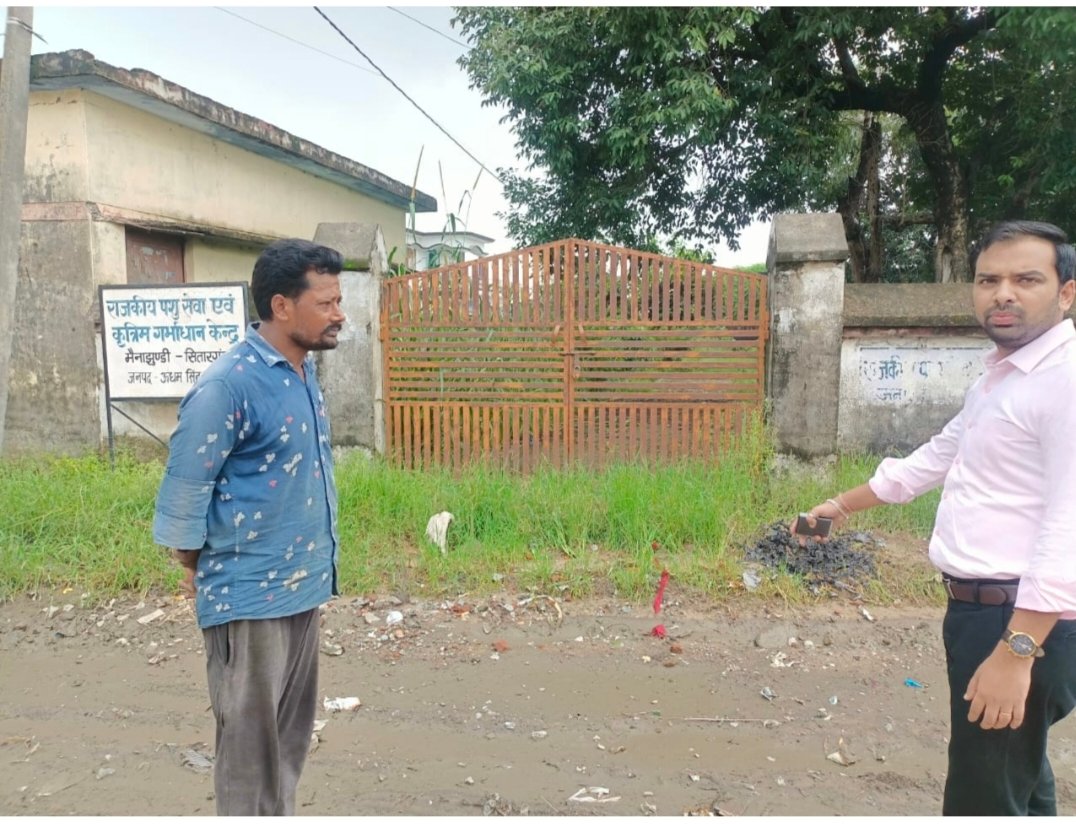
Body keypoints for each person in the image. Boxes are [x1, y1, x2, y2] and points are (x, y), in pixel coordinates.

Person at [794, 220, 1076, 816]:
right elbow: (935, 457)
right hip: (986, 611)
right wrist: (840, 506)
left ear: (1066, 292)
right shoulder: (1002, 378)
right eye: (988, 280)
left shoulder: (1064, 382)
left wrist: (1017, 651)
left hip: (1022, 620)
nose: (1003, 294)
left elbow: (1068, 525)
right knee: (1017, 777)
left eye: (1026, 279)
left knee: (982, 796)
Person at [153, 238, 346, 815]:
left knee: (287, 743)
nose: (339, 314)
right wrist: (199, 565)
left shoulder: (301, 372)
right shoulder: (228, 385)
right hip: (250, 596)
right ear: (282, 306)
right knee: (249, 751)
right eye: (326, 302)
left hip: (303, 586)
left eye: (338, 300)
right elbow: (185, 490)